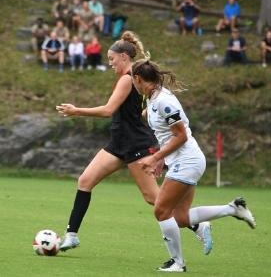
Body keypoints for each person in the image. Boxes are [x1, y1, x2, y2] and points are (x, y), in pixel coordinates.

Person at [54, 31, 208, 253]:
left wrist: (77, 110)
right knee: (85, 180)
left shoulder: (128, 78)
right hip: (118, 143)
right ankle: (72, 235)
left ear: (124, 57)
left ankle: (197, 225)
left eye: (112, 59)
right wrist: (143, 114)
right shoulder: (130, 78)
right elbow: (139, 109)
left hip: (136, 144)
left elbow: (108, 110)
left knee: (154, 199)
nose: (110, 64)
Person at [129, 60, 256, 272]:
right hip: (181, 160)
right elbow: (167, 135)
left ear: (138, 79)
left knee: (161, 210)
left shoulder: (163, 101)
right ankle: (233, 209)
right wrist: (161, 159)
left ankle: (178, 263)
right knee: (180, 218)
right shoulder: (152, 98)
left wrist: (154, 157)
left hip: (187, 160)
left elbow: (181, 136)